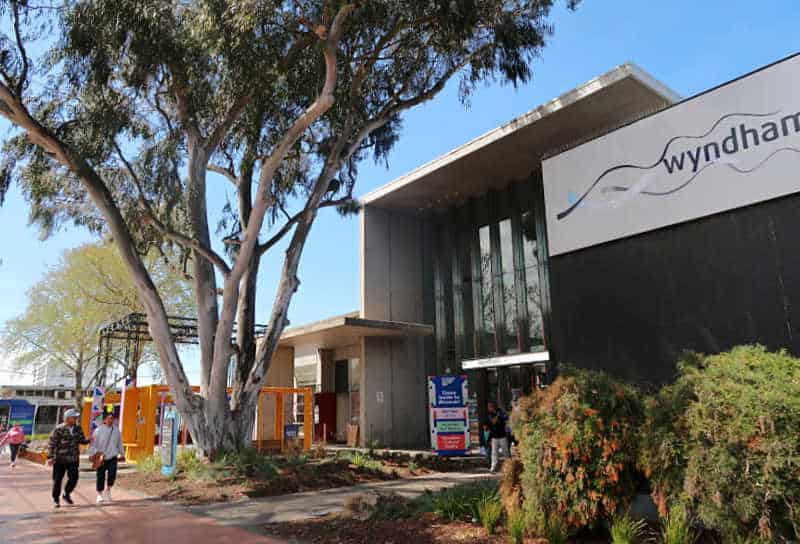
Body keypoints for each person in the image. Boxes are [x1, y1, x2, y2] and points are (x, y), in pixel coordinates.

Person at [48, 408, 89, 508]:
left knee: (74, 478)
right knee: (57, 480)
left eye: (76, 417)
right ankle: (56, 499)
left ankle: (66, 493)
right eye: (74, 417)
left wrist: (89, 440)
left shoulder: (78, 428)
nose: (75, 419)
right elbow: (52, 443)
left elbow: (82, 440)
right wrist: (50, 457)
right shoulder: (59, 429)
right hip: (60, 459)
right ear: (67, 418)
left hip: (73, 459)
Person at [88, 411, 124, 504]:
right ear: (104, 420)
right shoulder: (98, 430)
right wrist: (92, 454)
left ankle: (108, 489)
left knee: (112, 475)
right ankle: (99, 494)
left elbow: (119, 442)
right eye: (108, 418)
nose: (110, 420)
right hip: (101, 457)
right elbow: (93, 444)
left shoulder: (116, 430)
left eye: (112, 418)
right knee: (100, 476)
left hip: (112, 457)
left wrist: (122, 453)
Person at [485, 401, 509, 473]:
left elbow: (506, 418)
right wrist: (497, 415)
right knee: (494, 453)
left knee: (505, 452)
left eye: (490, 407)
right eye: (488, 407)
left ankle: (508, 466)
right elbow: (493, 422)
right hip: (494, 437)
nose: (488, 408)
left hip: (502, 436)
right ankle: (493, 468)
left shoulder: (500, 412)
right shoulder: (490, 414)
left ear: (493, 407)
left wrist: (501, 413)